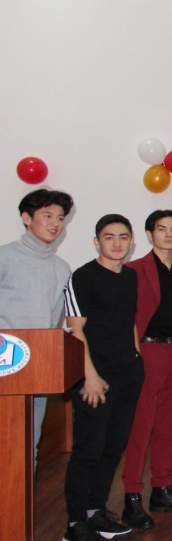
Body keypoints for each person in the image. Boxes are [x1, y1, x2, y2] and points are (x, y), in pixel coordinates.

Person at [61, 215, 144, 541]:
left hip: (128, 373)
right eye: (109, 237)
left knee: (112, 447)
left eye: (123, 237)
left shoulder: (131, 276)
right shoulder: (83, 277)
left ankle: (95, 512)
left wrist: (137, 358)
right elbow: (75, 330)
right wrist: (89, 376)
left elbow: (129, 321)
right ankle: (74, 524)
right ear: (97, 242)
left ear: (131, 241)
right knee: (88, 449)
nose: (117, 243)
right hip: (95, 375)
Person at [120, 210, 172, 532]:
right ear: (149, 234)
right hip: (147, 350)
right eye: (161, 229)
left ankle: (162, 489)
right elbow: (126, 316)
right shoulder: (134, 270)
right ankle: (131, 495)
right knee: (141, 425)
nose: (168, 235)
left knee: (168, 424)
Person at [0, 189, 74, 488]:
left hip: (36, 369)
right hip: (5, 365)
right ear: (26, 218)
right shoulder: (5, 257)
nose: (55, 223)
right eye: (47, 216)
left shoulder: (61, 268)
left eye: (60, 218)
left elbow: (55, 322)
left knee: (27, 444)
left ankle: (17, 516)